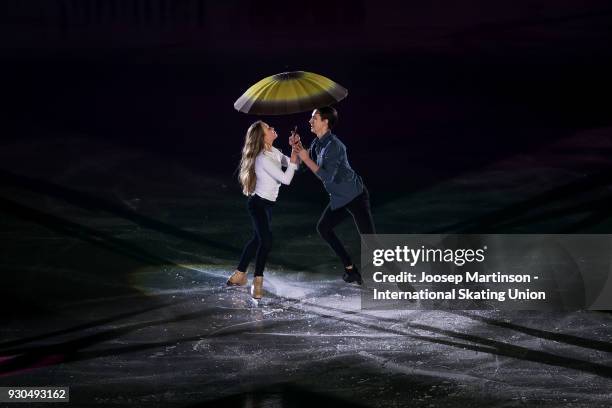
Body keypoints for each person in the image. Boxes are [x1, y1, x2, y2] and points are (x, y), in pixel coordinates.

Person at [291, 106, 373, 285]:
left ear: (325, 122)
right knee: (324, 228)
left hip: (355, 196)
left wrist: (305, 158)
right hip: (339, 199)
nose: (310, 121)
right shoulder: (316, 144)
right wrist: (297, 150)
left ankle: (404, 285)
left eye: (315, 118)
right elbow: (300, 169)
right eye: (311, 118)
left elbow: (327, 176)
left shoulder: (335, 145)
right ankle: (351, 270)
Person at [227, 121, 299, 299]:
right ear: (262, 136)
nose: (273, 128)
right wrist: (293, 156)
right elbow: (287, 179)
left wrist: (294, 149)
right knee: (266, 241)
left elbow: (293, 165)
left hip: (268, 206)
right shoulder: (262, 158)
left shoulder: (274, 152)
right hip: (258, 205)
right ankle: (257, 281)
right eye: (269, 128)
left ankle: (239, 274)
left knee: (257, 239)